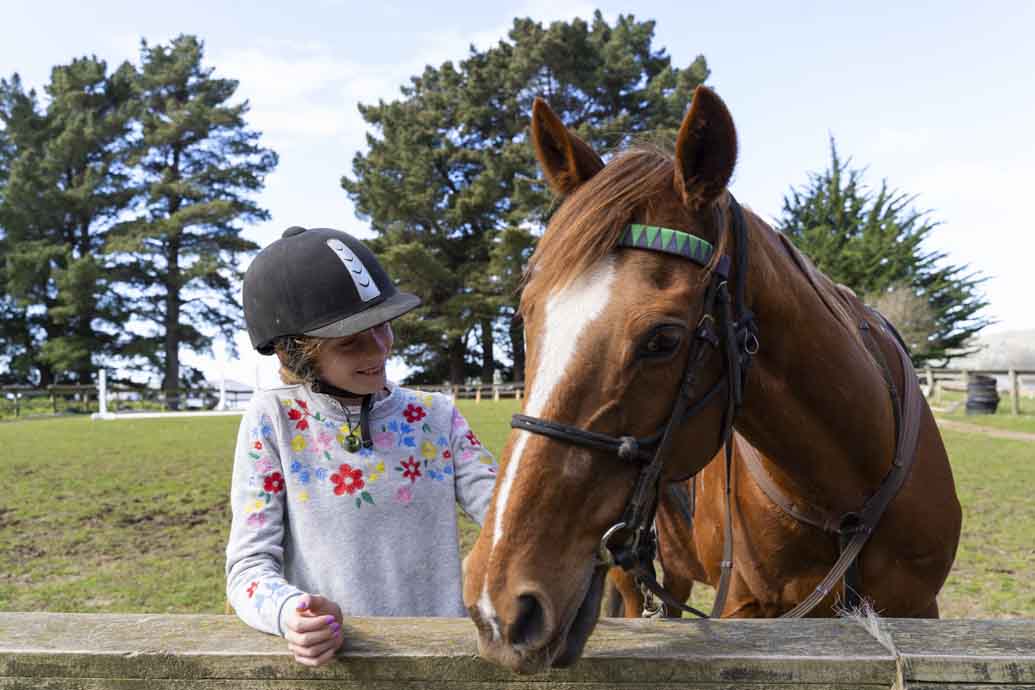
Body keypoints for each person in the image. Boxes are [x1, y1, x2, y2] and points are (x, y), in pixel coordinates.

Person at [225, 226, 497, 667]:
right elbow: (248, 569)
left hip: (442, 664)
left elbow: (508, 512)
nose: (379, 349)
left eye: (383, 326)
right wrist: (290, 613)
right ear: (294, 354)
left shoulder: (435, 416)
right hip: (341, 667)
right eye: (351, 342)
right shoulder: (273, 421)